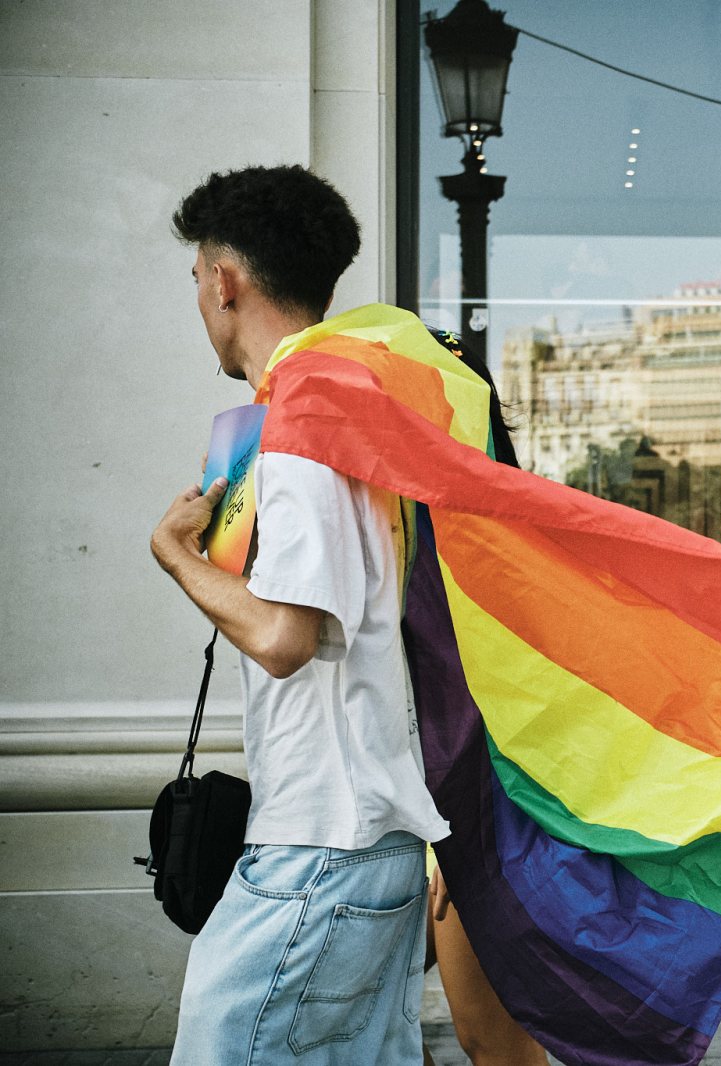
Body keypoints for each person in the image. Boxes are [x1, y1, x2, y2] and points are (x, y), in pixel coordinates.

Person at [153, 165, 449, 1063]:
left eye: (196, 279)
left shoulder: (302, 428)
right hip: (366, 838)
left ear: (223, 280)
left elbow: (286, 638)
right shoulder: (347, 410)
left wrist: (175, 557)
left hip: (322, 844)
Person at [418, 328, 551, 1066]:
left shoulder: (502, 530)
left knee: (491, 1043)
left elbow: (513, 694)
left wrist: (455, 837)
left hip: (478, 815)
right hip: (385, 818)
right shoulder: (389, 512)